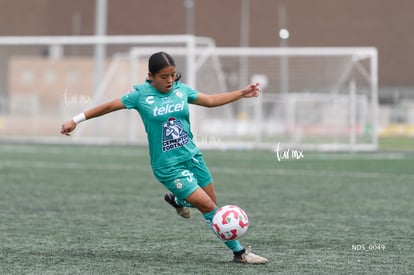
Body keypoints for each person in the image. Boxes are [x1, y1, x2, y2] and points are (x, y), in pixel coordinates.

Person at [60, 51, 268, 264]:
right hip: (168, 166)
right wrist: (76, 120)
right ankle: (240, 253)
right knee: (210, 208)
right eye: (164, 76)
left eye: (173, 75)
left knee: (211, 202)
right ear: (151, 75)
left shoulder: (181, 90)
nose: (170, 80)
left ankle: (177, 199)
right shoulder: (139, 95)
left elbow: (211, 100)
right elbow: (108, 107)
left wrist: (242, 93)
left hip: (193, 156)